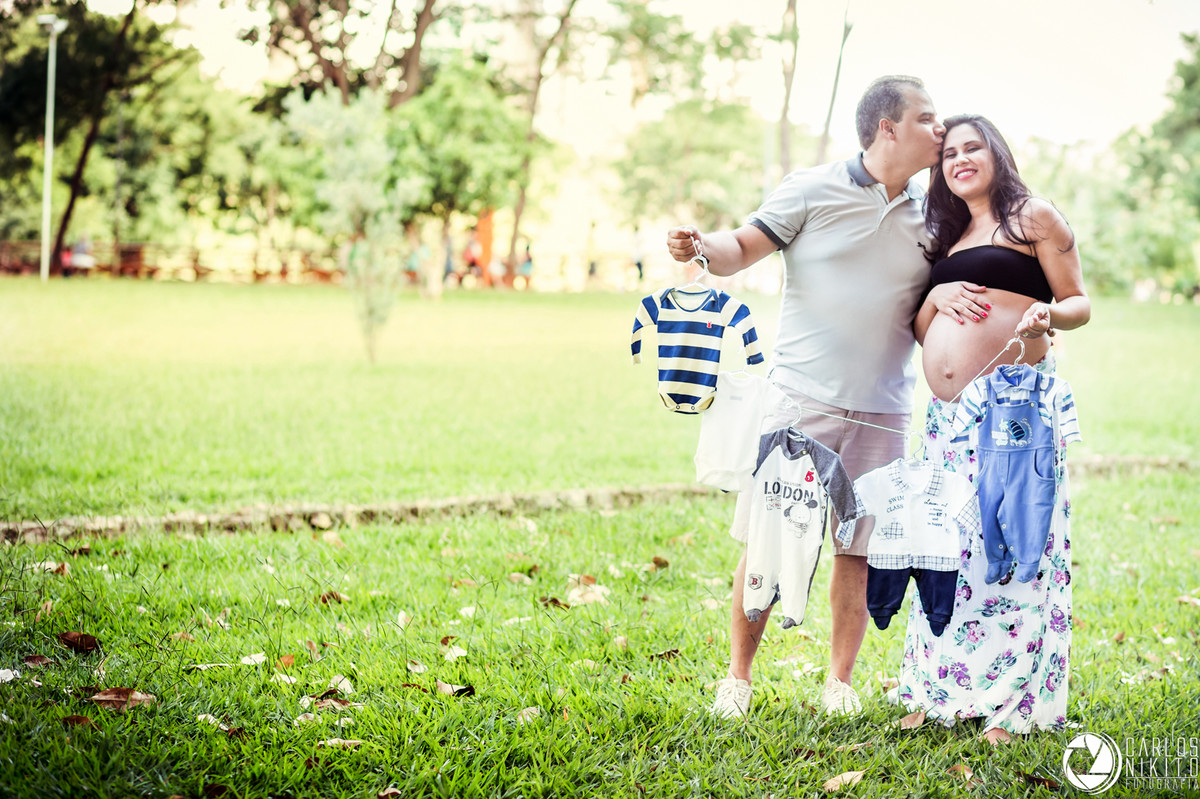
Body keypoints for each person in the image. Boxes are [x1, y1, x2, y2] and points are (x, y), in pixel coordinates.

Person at [666, 75, 946, 719]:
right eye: (928, 118)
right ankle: (738, 677)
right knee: (769, 541)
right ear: (888, 127)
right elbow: (740, 248)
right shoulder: (811, 188)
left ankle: (838, 684)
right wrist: (700, 246)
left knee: (856, 550)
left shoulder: (934, 215)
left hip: (884, 410)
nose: (941, 129)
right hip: (801, 403)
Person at [901, 114, 1090, 744]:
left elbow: (1078, 302)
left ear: (995, 153)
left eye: (971, 147)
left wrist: (1046, 316)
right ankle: (941, 691)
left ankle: (1012, 703)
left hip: (1013, 413)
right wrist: (935, 298)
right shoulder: (946, 236)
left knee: (1012, 545)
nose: (958, 159)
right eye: (948, 153)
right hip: (948, 420)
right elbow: (926, 330)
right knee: (947, 549)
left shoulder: (1032, 216)